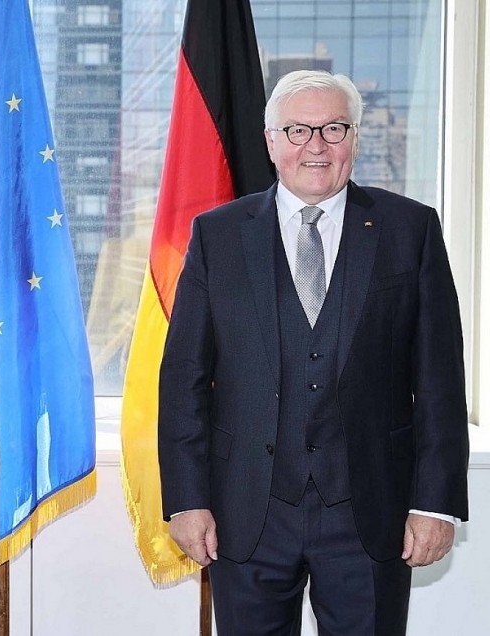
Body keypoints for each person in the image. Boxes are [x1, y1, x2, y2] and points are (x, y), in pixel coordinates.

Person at [158, 70, 469, 634]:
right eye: (299, 130)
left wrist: (436, 503)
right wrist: (185, 499)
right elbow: (183, 377)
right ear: (272, 141)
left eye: (334, 128)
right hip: (243, 514)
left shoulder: (411, 229)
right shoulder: (216, 235)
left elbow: (441, 380)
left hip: (371, 514)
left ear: (355, 138)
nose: (317, 146)